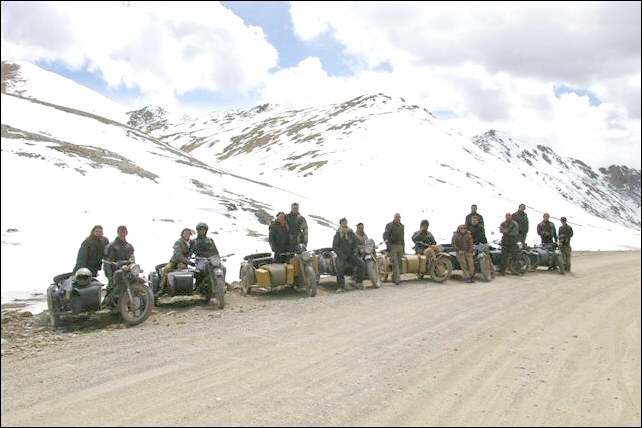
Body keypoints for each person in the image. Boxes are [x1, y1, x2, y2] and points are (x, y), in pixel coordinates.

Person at [333, 218, 365, 292]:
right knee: (339, 269)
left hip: (351, 254)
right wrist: (342, 255)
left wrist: (355, 251)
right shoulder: (338, 234)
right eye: (343, 223)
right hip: (341, 255)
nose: (345, 224)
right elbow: (335, 247)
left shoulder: (350, 232)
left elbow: (355, 242)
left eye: (345, 223)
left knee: (361, 264)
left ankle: (359, 283)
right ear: (340, 224)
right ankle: (341, 287)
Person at [104, 225, 135, 300]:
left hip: (127, 269)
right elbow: (107, 262)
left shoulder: (129, 246)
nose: (123, 233)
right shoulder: (111, 246)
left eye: (124, 231)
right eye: (121, 231)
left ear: (127, 233)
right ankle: (108, 299)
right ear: (117, 232)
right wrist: (109, 276)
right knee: (112, 288)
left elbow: (132, 259)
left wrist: (133, 267)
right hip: (115, 269)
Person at [159, 228, 194, 293]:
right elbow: (178, 256)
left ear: (190, 235)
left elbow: (194, 250)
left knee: (183, 269)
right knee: (165, 269)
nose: (187, 235)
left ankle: (183, 288)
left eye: (188, 233)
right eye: (185, 233)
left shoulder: (192, 242)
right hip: (174, 261)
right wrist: (189, 262)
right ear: (182, 234)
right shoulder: (178, 242)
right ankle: (161, 288)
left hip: (183, 262)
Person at [383, 213, 405, 285]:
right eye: (396, 217)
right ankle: (397, 280)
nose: (397, 219)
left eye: (399, 217)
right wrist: (388, 245)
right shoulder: (389, 225)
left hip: (400, 246)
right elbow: (385, 236)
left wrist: (403, 248)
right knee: (395, 262)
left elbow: (403, 237)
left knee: (399, 263)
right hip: (392, 246)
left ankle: (394, 277)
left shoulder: (402, 226)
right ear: (394, 218)